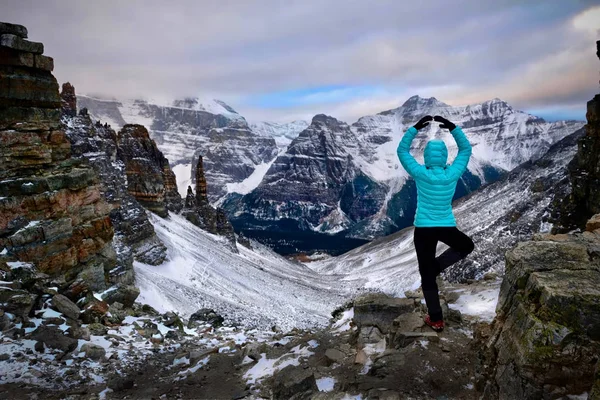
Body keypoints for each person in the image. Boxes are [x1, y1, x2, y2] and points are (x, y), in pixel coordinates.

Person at [396, 115, 475, 332]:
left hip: (423, 230)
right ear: (444, 158)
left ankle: (436, 319)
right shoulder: (452, 173)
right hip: (445, 225)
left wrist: (414, 129)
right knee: (466, 246)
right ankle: (437, 266)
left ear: (427, 157)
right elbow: (465, 150)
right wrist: (452, 128)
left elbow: (402, 152)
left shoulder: (420, 173)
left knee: (426, 273)